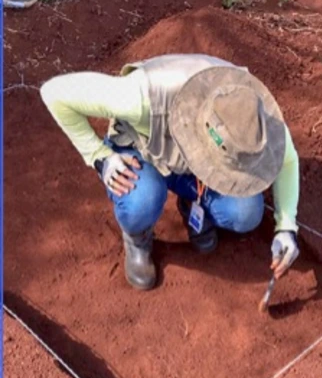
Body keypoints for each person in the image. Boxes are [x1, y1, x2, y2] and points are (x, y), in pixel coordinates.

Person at [41, 54, 301, 290]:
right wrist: (100, 157)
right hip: (142, 150)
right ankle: (137, 237)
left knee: (246, 212)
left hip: (188, 168)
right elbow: (54, 92)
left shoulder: (253, 116)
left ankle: (193, 203)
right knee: (142, 200)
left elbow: (287, 160)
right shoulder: (139, 98)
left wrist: (286, 227)